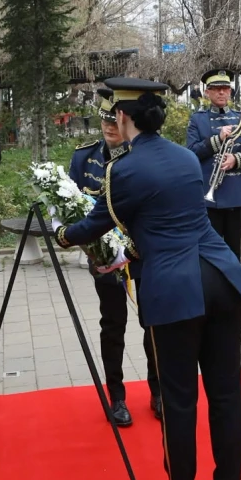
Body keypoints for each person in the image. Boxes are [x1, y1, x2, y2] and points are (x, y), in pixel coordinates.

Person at [55, 78, 241, 480]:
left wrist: (63, 234)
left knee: (180, 397)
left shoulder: (122, 170)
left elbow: (95, 225)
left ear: (123, 117)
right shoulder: (186, 156)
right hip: (223, 277)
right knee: (226, 393)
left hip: (175, 288)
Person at [67, 88, 160, 424]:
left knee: (152, 323)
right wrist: (89, 247)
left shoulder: (143, 154)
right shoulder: (84, 158)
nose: (109, 126)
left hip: (143, 255)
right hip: (105, 258)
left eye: (114, 119)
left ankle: (159, 392)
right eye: (104, 119)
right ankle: (117, 397)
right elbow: (71, 209)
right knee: (113, 326)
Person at [186, 70, 241, 259]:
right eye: (216, 89)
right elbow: (192, 152)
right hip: (208, 194)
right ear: (207, 92)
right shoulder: (198, 120)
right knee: (210, 250)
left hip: (235, 193)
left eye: (225, 89)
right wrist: (217, 139)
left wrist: (236, 159)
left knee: (233, 250)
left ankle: (233, 287)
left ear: (230, 92)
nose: (221, 93)